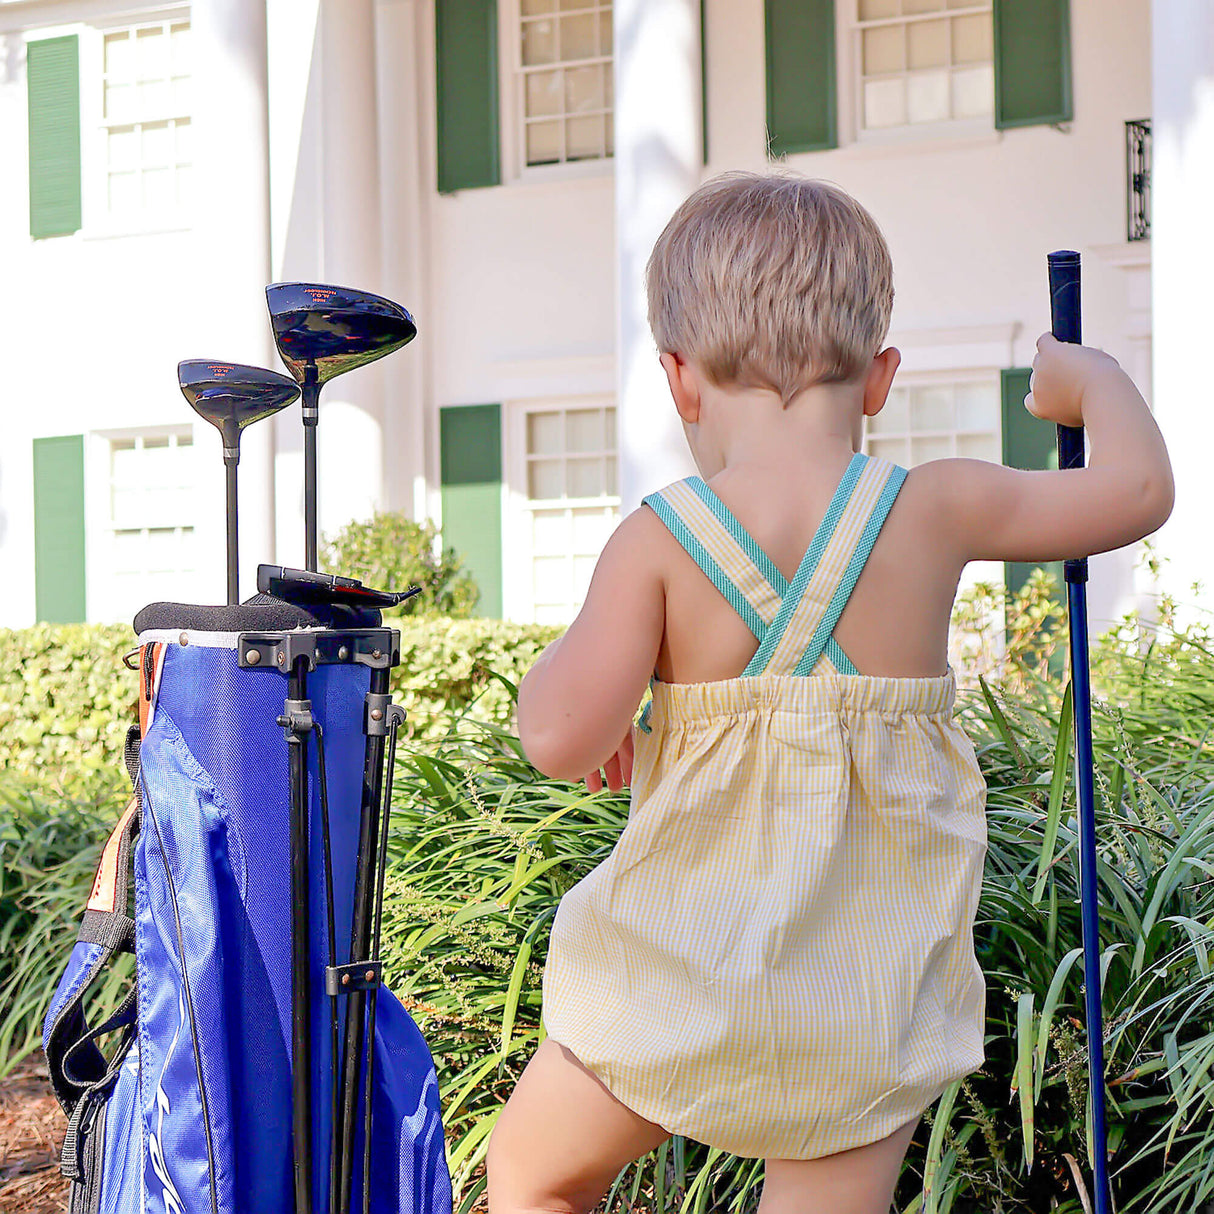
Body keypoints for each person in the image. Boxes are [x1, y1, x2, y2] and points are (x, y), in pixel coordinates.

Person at [485, 172, 1174, 1214]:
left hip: (671, 983)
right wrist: (1092, 380)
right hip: (858, 1005)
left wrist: (616, 704)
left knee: (532, 1177)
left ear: (678, 380)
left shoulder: (660, 541)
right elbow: (1135, 491)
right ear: (879, 376)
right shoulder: (938, 508)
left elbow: (551, 732)